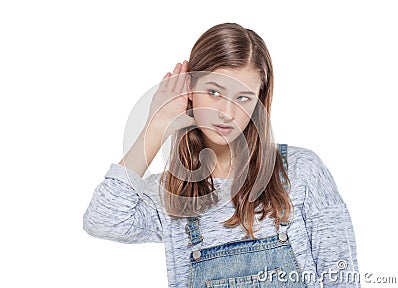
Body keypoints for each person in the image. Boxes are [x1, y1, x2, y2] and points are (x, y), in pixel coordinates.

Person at [83, 23, 359, 287]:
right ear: (190, 89)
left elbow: (342, 278)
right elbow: (102, 221)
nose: (227, 112)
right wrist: (156, 126)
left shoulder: (300, 171)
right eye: (214, 92)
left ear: (259, 100)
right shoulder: (171, 193)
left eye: (243, 97)